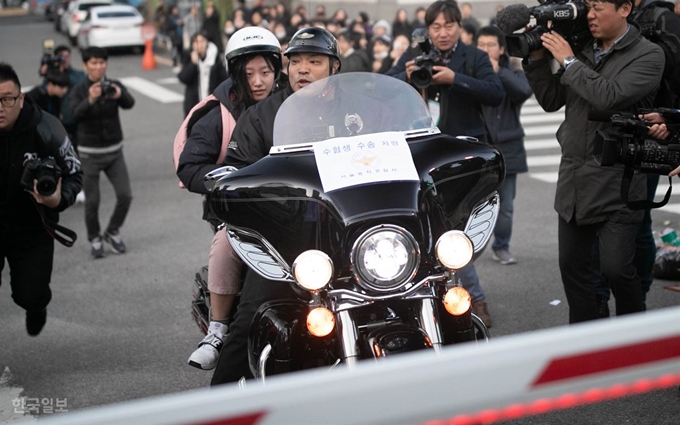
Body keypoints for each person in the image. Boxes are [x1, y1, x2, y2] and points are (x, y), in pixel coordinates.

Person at [210, 27, 343, 385]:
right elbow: (236, 174)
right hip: (283, 241)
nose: (302, 69)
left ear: (334, 68)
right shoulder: (264, 115)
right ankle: (219, 403)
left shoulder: (359, 113)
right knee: (251, 316)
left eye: (314, 61)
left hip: (348, 234)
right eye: (295, 61)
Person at [522, 0, 664, 323]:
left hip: (619, 185)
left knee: (616, 269)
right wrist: (535, 57)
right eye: (587, 7)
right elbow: (550, 100)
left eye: (598, 7)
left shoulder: (648, 54)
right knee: (573, 272)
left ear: (625, 8)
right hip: (574, 182)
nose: (590, 15)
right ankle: (586, 342)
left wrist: (569, 60)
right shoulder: (585, 49)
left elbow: (609, 95)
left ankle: (633, 332)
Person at [386, 0, 505, 327]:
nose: (442, 33)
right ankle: (455, 296)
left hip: (460, 156)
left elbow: (496, 93)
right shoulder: (414, 55)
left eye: (448, 26)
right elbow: (383, 86)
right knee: (438, 229)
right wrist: (407, 76)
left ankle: (473, 298)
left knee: (451, 228)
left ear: (459, 27)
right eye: (435, 27)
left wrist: (456, 79)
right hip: (421, 156)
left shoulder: (474, 57)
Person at [176, 27, 283, 371]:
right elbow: (190, 166)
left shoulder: (290, 101)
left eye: (265, 72)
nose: (258, 81)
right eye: (248, 73)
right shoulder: (216, 113)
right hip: (237, 209)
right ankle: (219, 329)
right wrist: (227, 181)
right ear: (236, 73)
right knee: (226, 240)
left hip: (291, 206)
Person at [591, 0, 680, 317]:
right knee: (598, 220)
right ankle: (600, 294)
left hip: (650, 134)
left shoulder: (662, 18)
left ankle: (637, 293)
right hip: (612, 130)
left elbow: (670, 71)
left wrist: (671, 123)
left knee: (637, 220)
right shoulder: (601, 15)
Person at [0, 62, 82, 336]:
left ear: (20, 98)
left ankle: (36, 307)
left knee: (30, 295)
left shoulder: (46, 127)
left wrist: (58, 199)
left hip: (33, 228)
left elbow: (74, 173)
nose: (0, 106)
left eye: (7, 99)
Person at [70, 47, 135, 259]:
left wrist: (120, 94)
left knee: (125, 195)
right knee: (92, 201)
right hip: (89, 153)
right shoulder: (79, 89)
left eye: (102, 63)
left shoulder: (113, 85)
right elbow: (73, 116)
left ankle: (112, 231)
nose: (98, 67)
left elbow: (129, 103)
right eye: (94, 63)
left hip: (114, 151)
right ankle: (95, 238)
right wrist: (89, 99)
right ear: (85, 65)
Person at [476, 26, 532, 265]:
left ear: (501, 49)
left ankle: (502, 246)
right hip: (480, 148)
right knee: (475, 204)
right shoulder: (472, 73)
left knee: (506, 205)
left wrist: (498, 71)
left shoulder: (512, 73)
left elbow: (523, 91)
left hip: (508, 147)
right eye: (481, 45)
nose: (486, 50)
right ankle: (469, 248)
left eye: (491, 45)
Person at [178, 31, 228, 117]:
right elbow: (183, 78)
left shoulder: (214, 58)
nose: (199, 45)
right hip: (193, 104)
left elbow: (225, 79)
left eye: (202, 41)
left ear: (207, 42)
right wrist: (193, 64)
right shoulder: (188, 56)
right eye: (196, 42)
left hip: (212, 103)